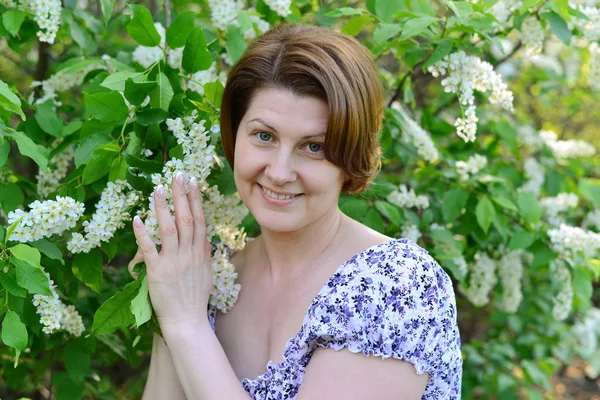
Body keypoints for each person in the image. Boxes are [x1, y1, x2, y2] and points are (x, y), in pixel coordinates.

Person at [130, 23, 462, 399]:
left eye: (314, 147)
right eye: (264, 136)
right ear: (234, 134)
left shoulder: (396, 286)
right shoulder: (206, 274)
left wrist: (186, 324)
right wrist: (174, 304)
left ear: (350, 159)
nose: (279, 172)